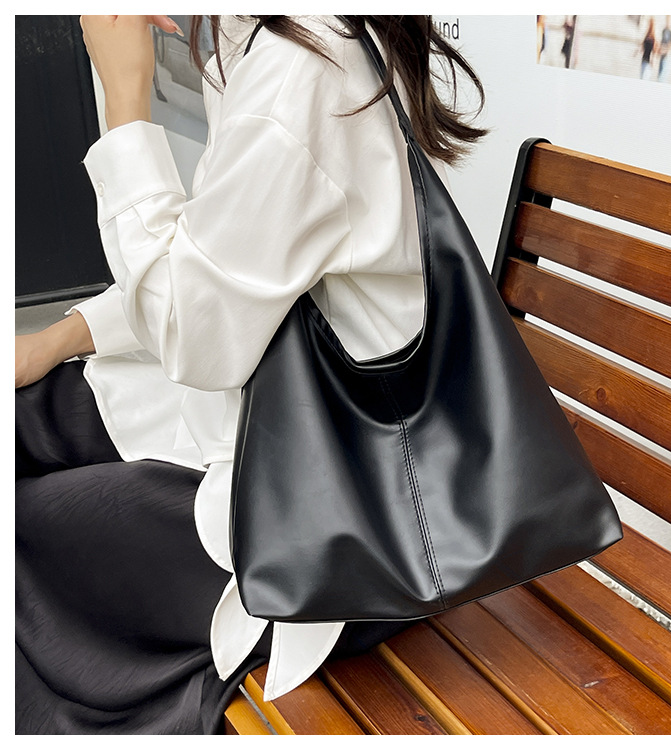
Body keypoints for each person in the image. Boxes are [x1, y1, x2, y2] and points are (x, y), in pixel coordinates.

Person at [15, 15, 486, 735]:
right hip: (275, 418)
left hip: (334, 515)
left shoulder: (302, 67)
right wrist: (57, 339)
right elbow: (217, 262)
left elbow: (196, 334)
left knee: (25, 531)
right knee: (26, 413)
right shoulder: (272, 40)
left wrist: (124, 95)